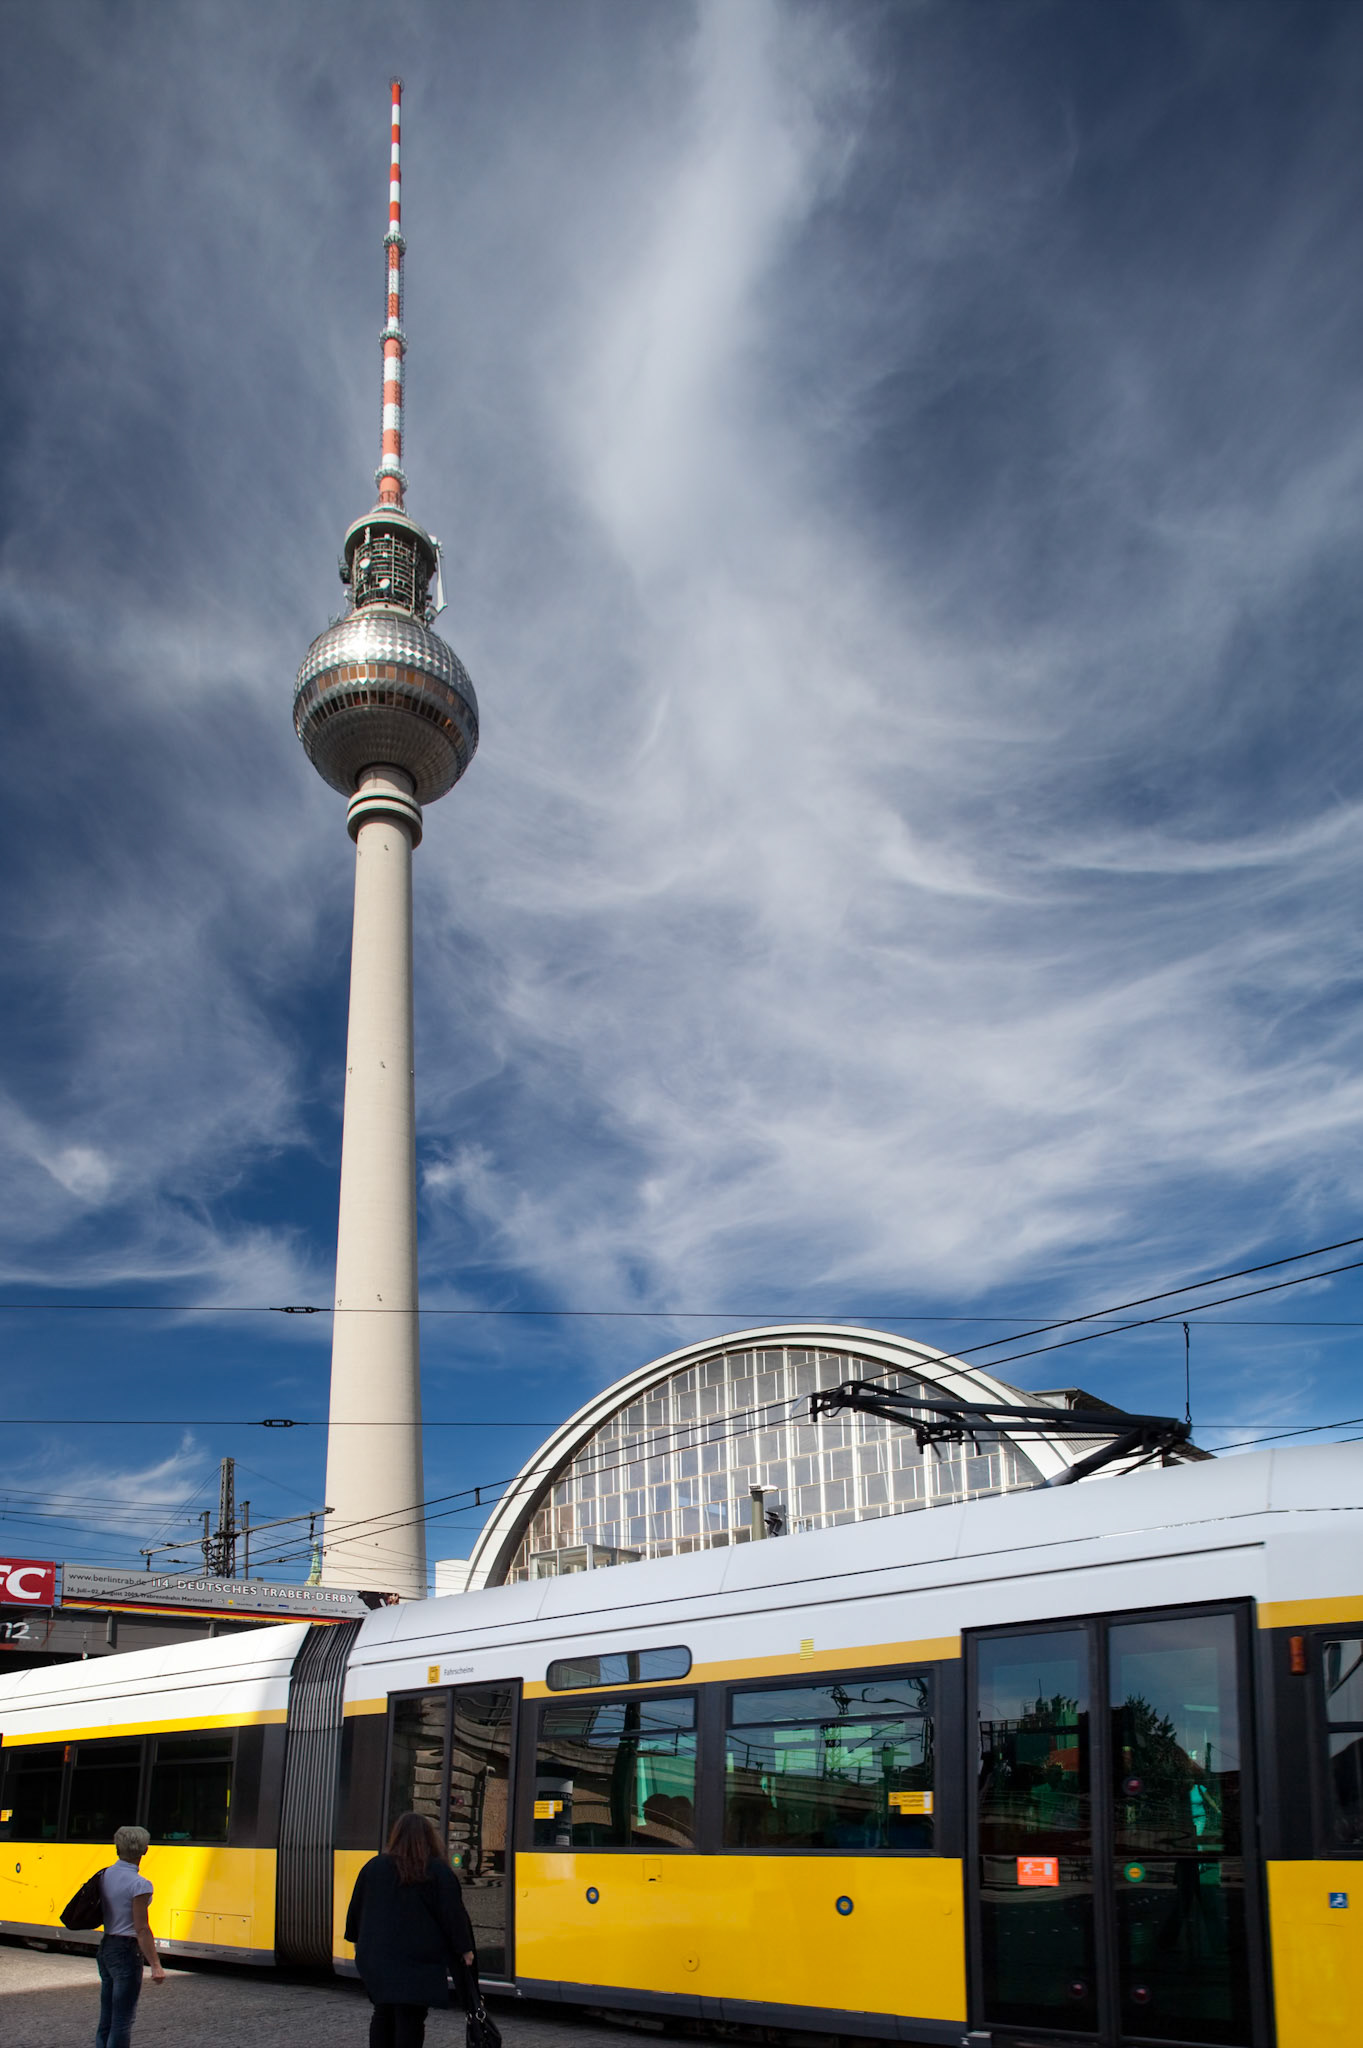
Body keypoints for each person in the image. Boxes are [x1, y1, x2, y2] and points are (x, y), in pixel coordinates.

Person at [345, 1811, 477, 2048]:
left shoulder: (373, 1867)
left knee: (382, 2012)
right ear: (429, 1838)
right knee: (411, 2017)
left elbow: (356, 1910)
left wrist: (360, 1942)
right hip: (417, 1960)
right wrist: (465, 1949)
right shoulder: (437, 1871)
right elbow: (453, 1916)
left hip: (377, 1957)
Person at [95, 1824, 165, 2048]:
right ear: (144, 1850)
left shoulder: (105, 1874)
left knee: (107, 2016)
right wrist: (155, 1964)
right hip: (126, 1950)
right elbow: (141, 1928)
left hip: (106, 1945)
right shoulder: (139, 1884)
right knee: (123, 2020)